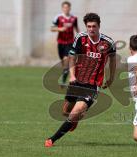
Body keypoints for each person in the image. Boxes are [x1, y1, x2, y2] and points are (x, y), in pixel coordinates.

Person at [45, 13, 116, 147]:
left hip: (93, 85)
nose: (91, 29)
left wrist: (111, 78)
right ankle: (75, 119)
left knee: (74, 114)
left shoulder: (108, 42)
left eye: (94, 26)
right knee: (65, 111)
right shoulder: (80, 38)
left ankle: (51, 140)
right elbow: (72, 57)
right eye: (88, 26)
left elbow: (112, 60)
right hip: (77, 81)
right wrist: (72, 76)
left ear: (99, 26)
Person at [51, 1, 80, 84]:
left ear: (70, 8)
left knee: (66, 58)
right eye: (64, 7)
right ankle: (65, 74)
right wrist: (60, 29)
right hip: (60, 42)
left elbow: (76, 29)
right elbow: (52, 28)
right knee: (64, 62)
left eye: (67, 7)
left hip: (70, 42)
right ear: (62, 8)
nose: (66, 9)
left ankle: (66, 74)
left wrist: (80, 37)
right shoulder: (58, 17)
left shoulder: (74, 18)